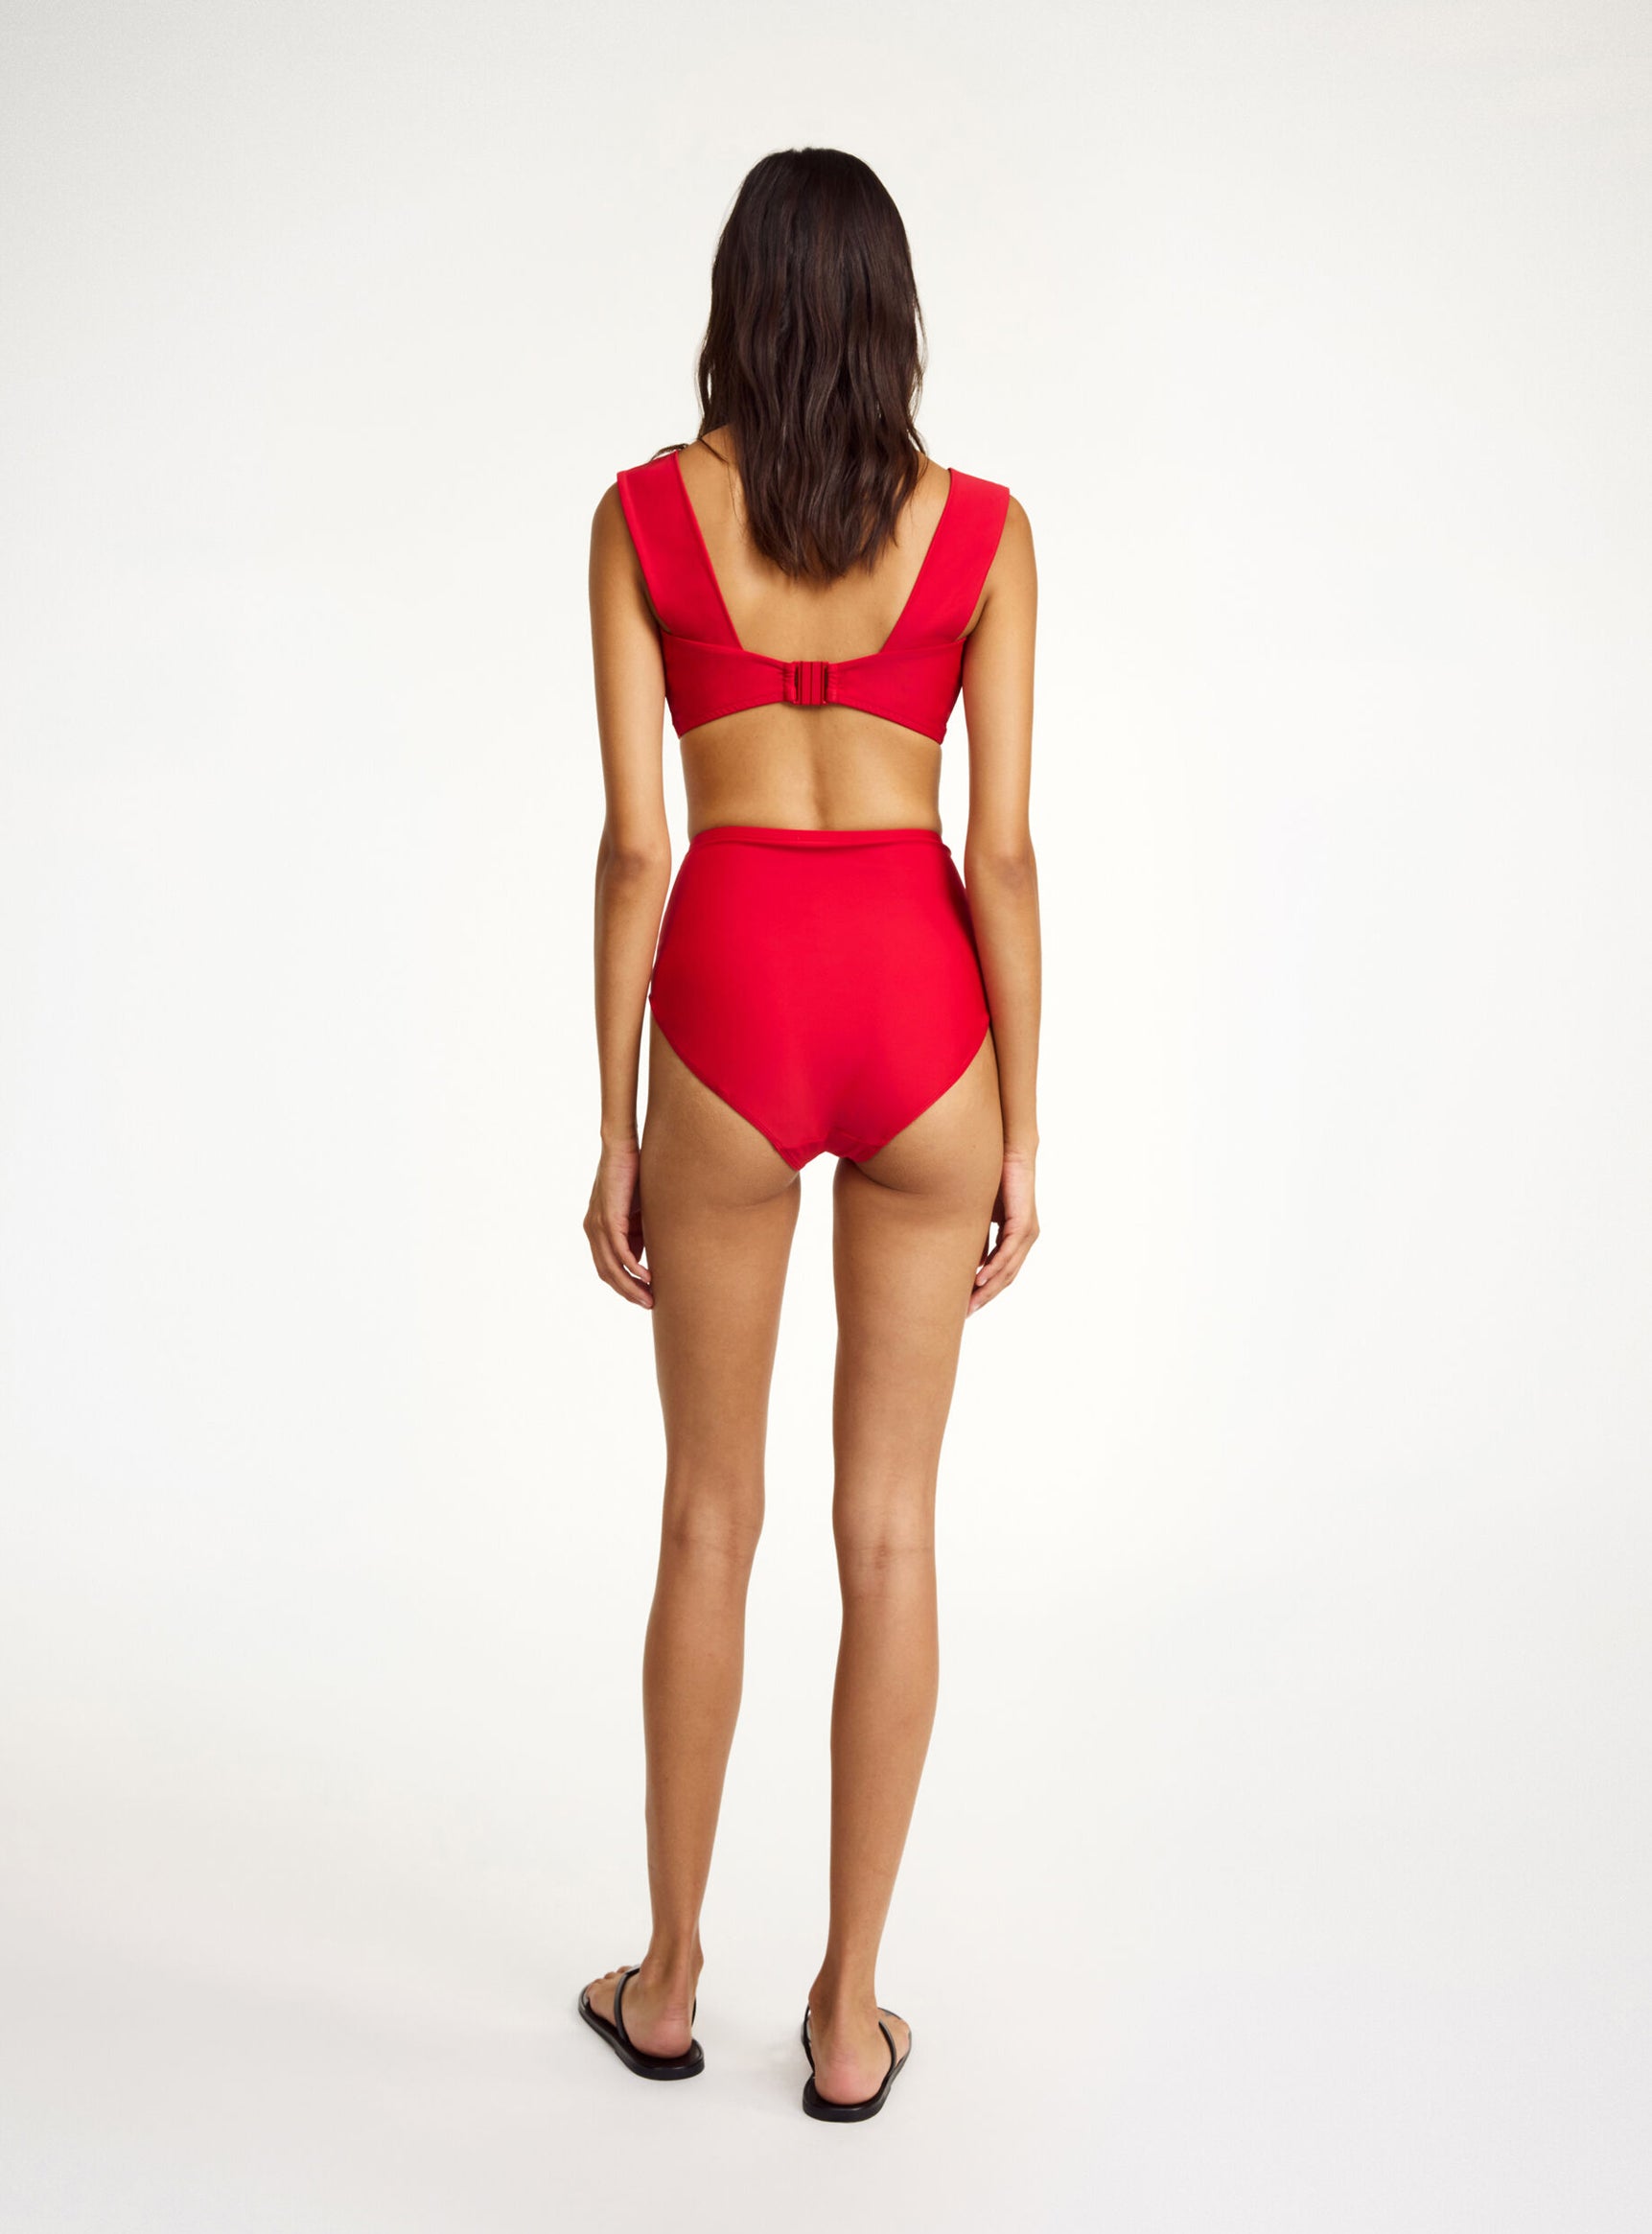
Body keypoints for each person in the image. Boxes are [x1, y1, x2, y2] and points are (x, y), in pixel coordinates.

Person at [576, 146, 1040, 2124]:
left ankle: (670, 1980)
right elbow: (1000, 854)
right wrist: (1025, 1124)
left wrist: (612, 1124)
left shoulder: (638, 520)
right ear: (892, 314)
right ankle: (848, 2016)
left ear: (735, 303)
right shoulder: (985, 533)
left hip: (733, 1013)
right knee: (892, 1529)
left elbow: (636, 847)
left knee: (708, 1513)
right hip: (925, 1023)